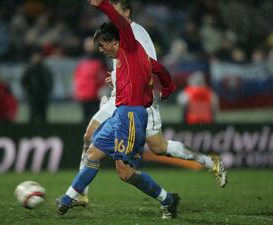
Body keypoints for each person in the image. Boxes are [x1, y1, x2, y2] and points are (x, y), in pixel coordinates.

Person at [74, 0, 227, 207]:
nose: (113, 17)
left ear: (126, 12)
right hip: (119, 98)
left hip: (139, 100)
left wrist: (162, 87)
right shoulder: (115, 35)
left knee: (159, 147)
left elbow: (148, 66)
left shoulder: (135, 33)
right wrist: (117, 76)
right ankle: (80, 194)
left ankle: (210, 162)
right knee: (89, 135)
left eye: (117, 11)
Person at [57, 0, 180, 219]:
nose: (101, 50)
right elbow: (159, 68)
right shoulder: (128, 58)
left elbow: (121, 22)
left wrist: (102, 4)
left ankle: (168, 200)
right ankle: (68, 198)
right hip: (120, 114)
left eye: (102, 45)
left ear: (113, 41)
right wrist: (168, 87)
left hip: (133, 115)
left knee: (124, 172)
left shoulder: (130, 48)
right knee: (93, 153)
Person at [73, 36, 109, 123]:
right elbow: (77, 78)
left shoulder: (100, 61)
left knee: (95, 120)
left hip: (95, 97)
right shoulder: (83, 61)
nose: (89, 47)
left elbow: (104, 79)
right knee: (87, 120)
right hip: (85, 96)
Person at [21, 50, 53, 124]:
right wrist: (29, 91)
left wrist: (46, 91)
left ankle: (44, 134)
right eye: (35, 56)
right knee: (32, 116)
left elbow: (49, 82)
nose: (36, 58)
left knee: (43, 117)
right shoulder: (29, 69)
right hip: (32, 97)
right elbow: (23, 82)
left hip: (43, 97)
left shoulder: (45, 70)